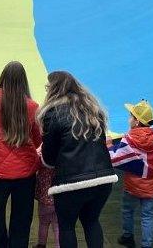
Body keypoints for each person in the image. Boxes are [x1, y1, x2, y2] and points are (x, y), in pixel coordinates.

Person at [38, 71, 117, 248]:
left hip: (71, 184)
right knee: (92, 222)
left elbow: (48, 159)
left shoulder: (53, 114)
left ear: (53, 90)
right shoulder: (94, 110)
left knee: (67, 227)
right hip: (103, 180)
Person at [0, 61, 42, 248]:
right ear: (24, 81)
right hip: (26, 171)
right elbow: (38, 139)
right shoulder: (32, 107)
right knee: (22, 216)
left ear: (2, 78)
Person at [109, 100, 153, 248]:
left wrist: (108, 145)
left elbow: (115, 158)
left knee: (127, 210)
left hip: (132, 186)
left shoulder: (129, 139)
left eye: (130, 116)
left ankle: (127, 236)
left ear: (137, 121)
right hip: (151, 186)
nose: (128, 119)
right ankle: (146, 245)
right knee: (147, 216)